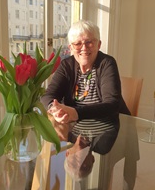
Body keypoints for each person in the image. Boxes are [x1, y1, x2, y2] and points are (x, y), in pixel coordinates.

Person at [41, 20, 130, 150]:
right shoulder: (67, 65)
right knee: (53, 140)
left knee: (101, 151)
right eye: (77, 44)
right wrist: (54, 109)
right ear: (71, 48)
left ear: (98, 44)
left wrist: (75, 113)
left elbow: (112, 104)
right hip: (78, 127)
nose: (84, 48)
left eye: (89, 42)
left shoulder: (107, 63)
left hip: (108, 127)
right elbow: (48, 95)